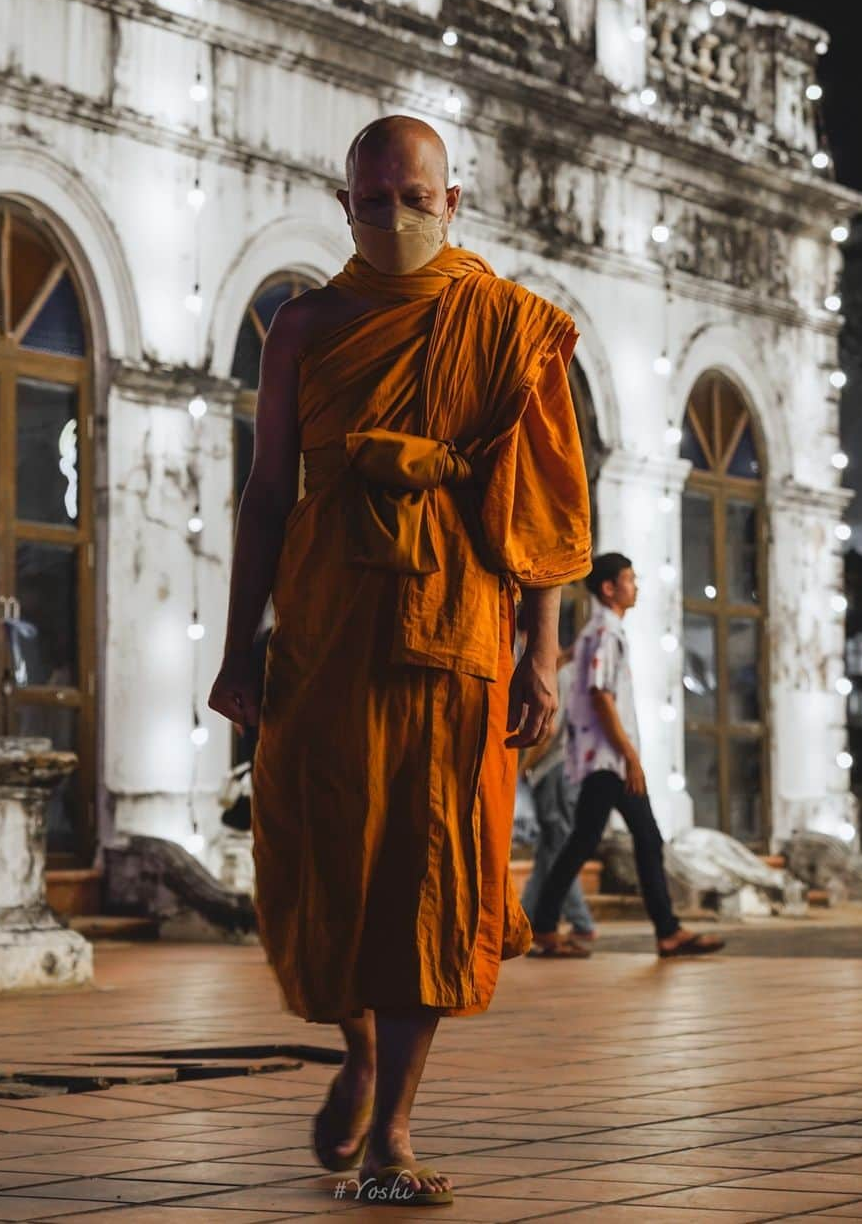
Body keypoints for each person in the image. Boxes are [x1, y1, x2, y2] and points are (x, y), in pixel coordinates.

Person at [208, 115, 591, 1206]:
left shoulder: (509, 325)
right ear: (345, 206)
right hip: (325, 629)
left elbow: (542, 509)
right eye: (372, 200)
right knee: (317, 860)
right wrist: (240, 648)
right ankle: (360, 1054)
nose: (393, 218)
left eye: (413, 199)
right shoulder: (304, 325)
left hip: (458, 632)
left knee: (432, 873)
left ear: (452, 203)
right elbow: (268, 491)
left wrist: (541, 656)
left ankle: (397, 1134)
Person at [530, 552, 725, 961]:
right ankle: (551, 927)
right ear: (609, 588)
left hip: (602, 757)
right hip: (607, 759)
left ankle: (552, 926)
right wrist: (630, 756)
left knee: (608, 840)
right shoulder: (606, 632)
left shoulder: (594, 632)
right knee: (620, 840)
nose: (635, 587)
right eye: (630, 579)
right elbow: (601, 697)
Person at [519, 647, 597, 954]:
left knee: (558, 846)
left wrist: (524, 766)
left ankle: (582, 922)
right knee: (548, 849)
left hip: (554, 770)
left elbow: (548, 731)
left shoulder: (557, 677)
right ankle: (525, 919)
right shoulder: (572, 675)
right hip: (565, 769)